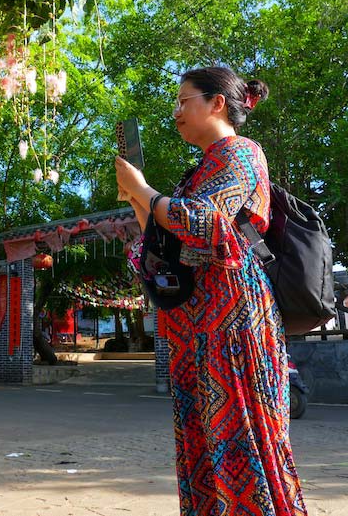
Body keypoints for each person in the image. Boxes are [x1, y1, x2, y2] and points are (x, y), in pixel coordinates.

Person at [115, 67, 307, 516]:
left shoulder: (242, 153)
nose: (177, 112)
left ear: (216, 102)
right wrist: (138, 201)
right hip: (195, 326)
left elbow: (206, 224)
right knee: (204, 441)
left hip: (233, 320)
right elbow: (166, 242)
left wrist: (146, 190)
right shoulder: (200, 168)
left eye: (184, 101)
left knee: (242, 434)